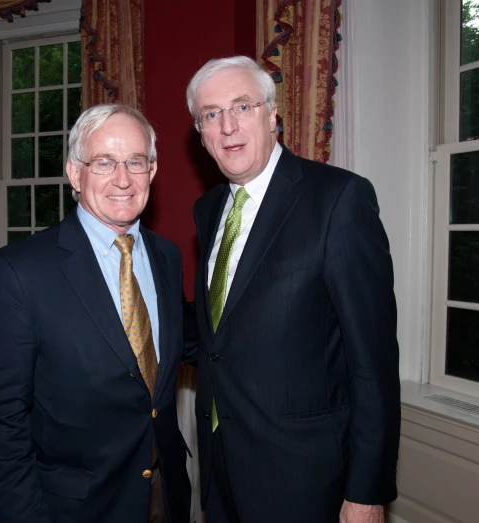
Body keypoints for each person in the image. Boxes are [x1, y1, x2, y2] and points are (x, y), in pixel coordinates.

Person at [185, 56, 401, 523]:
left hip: (306, 480)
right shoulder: (207, 210)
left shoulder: (339, 200)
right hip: (220, 467)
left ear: (272, 114)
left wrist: (366, 493)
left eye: (242, 106)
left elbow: (374, 363)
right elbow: (220, 330)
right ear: (200, 133)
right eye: (211, 114)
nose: (227, 126)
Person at [0, 103, 194, 523]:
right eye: (104, 162)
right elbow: (2, 421)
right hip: (75, 508)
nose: (123, 179)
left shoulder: (166, 257)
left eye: (135, 161)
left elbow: (171, 348)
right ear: (75, 173)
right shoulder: (20, 271)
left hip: (165, 495)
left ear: (152, 170)